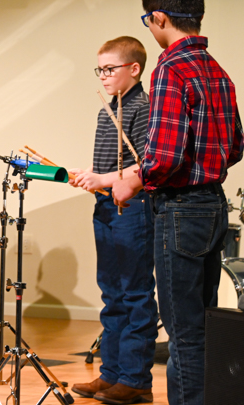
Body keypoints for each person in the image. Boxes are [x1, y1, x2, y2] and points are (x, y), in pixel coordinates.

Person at [112, 0, 244, 405]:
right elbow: (235, 146)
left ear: (159, 17)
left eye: (147, 20)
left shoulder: (170, 68)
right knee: (202, 328)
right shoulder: (216, 70)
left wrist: (135, 180)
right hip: (214, 206)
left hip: (181, 211)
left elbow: (165, 158)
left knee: (183, 335)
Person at [69, 36, 158, 405]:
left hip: (133, 208)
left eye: (110, 69)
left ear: (134, 69)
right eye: (100, 70)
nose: (103, 76)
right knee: (111, 294)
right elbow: (112, 167)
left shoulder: (143, 108)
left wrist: (103, 179)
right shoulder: (106, 110)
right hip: (106, 208)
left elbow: (146, 165)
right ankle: (111, 375)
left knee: (135, 293)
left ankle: (136, 381)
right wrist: (91, 176)